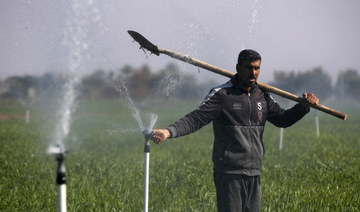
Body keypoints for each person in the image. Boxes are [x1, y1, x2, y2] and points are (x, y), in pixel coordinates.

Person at [150, 49, 319, 212]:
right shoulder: (222, 95)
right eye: (248, 68)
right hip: (229, 173)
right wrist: (169, 131)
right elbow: (196, 118)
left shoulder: (263, 95)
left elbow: (283, 119)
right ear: (238, 68)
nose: (253, 73)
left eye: (257, 68)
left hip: (254, 171)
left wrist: (303, 107)